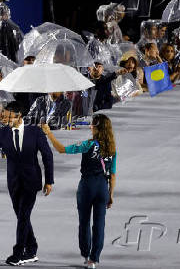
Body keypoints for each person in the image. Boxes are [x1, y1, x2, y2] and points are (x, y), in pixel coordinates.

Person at [0, 101, 54, 266]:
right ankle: (32, 248)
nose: (5, 119)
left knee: (23, 215)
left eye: (9, 116)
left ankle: (18, 253)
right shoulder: (3, 133)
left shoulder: (35, 132)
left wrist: (49, 181)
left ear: (19, 116)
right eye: (4, 116)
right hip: (13, 181)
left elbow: (47, 156)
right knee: (21, 216)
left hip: (31, 180)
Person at [42, 114, 116, 269]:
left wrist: (49, 133)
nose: (90, 127)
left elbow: (62, 149)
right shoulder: (112, 148)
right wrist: (110, 194)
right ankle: (94, 259)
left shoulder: (88, 145)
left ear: (97, 128)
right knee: (99, 224)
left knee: (84, 222)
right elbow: (113, 174)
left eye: (93, 125)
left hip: (87, 186)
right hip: (103, 186)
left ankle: (86, 253)